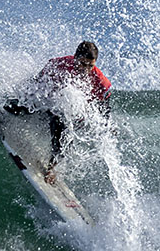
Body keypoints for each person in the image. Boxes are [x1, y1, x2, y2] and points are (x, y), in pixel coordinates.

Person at [28, 41, 111, 183]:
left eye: (90, 66)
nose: (85, 69)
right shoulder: (58, 65)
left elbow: (104, 109)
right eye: (82, 64)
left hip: (73, 114)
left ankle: (52, 168)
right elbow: (33, 86)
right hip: (48, 104)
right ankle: (1, 111)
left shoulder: (100, 82)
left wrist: (107, 126)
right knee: (22, 106)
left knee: (63, 130)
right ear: (75, 58)